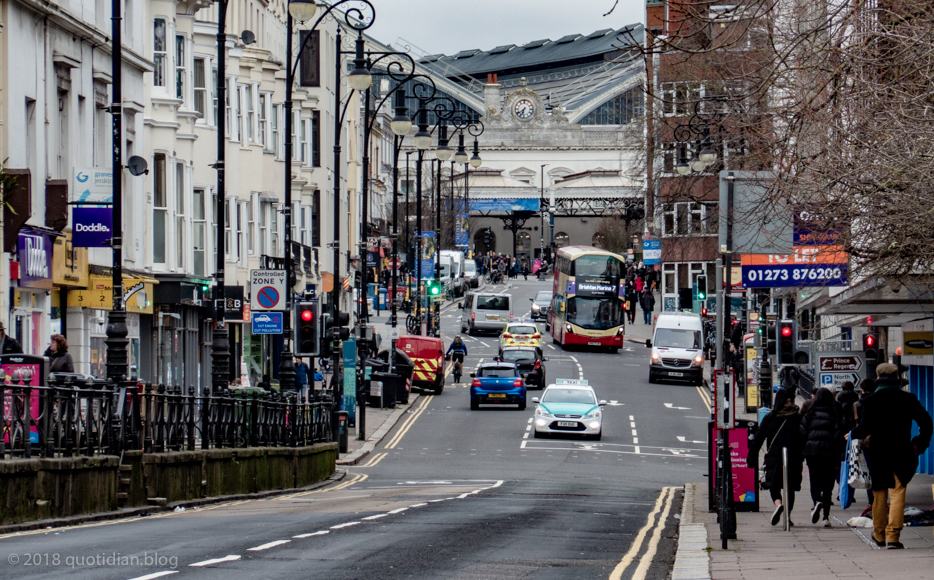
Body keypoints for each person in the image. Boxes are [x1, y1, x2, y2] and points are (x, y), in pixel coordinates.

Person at [851, 363, 933, 549]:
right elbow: (927, 423)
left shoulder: (870, 401)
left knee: (879, 496)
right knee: (898, 495)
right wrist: (919, 443)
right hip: (902, 452)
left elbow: (864, 429)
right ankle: (893, 537)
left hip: (879, 454)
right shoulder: (908, 399)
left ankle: (879, 535)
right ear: (897, 378)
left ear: (878, 378)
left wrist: (851, 434)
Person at [747, 388, 805, 526]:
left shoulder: (770, 417)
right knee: (789, 487)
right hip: (793, 457)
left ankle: (778, 504)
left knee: (774, 484)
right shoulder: (797, 417)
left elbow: (758, 438)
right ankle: (787, 516)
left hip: (774, 456)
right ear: (789, 400)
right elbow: (803, 437)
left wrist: (751, 458)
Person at [799, 388, 843, 527]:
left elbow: (802, 433)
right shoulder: (834, 415)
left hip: (813, 452)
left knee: (815, 480)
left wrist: (803, 450)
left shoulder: (809, 414)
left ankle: (817, 501)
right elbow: (838, 435)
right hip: (829, 452)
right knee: (828, 484)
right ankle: (826, 517)